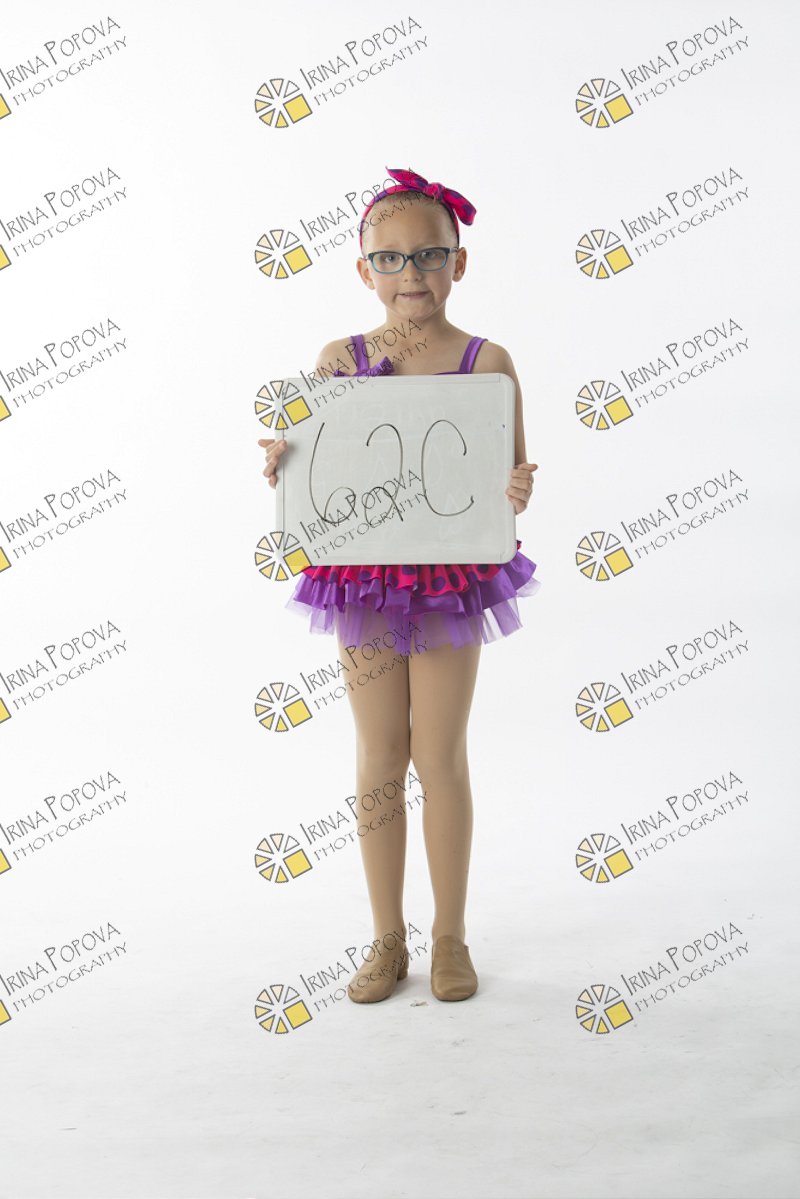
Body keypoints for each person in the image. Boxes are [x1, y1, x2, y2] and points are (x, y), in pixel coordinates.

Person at [258, 165, 541, 1004]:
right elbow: (317, 466)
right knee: (380, 751)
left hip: (450, 577)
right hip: (366, 577)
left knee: (438, 752)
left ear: (459, 262)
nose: (410, 273)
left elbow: (511, 472)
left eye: (428, 255)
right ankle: (387, 936)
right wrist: (284, 463)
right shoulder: (339, 360)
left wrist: (517, 486)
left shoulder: (487, 362)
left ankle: (450, 934)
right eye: (389, 258)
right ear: (364, 270)